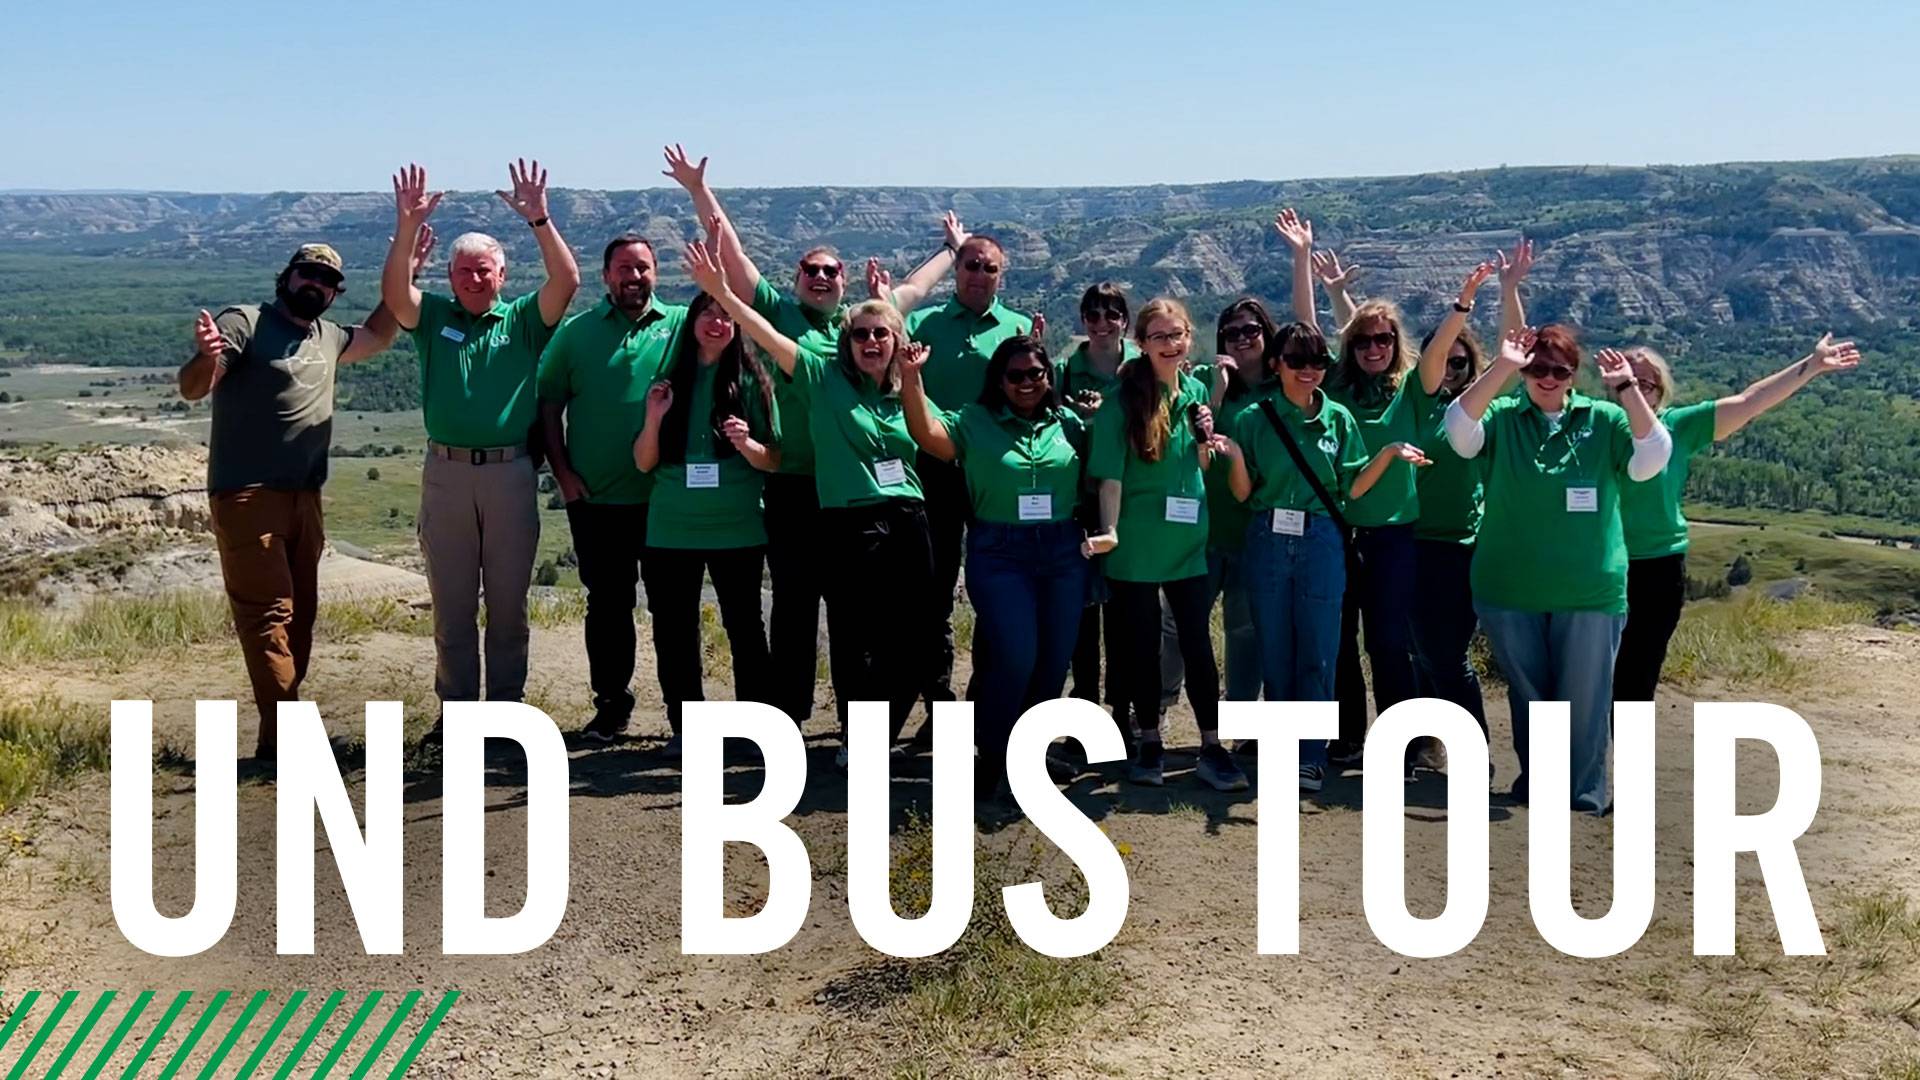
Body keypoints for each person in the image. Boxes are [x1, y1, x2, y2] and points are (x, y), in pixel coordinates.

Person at [661, 144, 962, 728]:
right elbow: (735, 256)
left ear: (844, 281)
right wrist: (699, 192)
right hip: (797, 482)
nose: (821, 277)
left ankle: (864, 720)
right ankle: (789, 717)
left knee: (863, 615)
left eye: (831, 271)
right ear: (797, 280)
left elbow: (916, 292)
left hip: (863, 494)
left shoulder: (863, 321)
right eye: (811, 270)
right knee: (796, 608)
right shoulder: (782, 314)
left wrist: (950, 252)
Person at [682, 228, 939, 766]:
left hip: (910, 518)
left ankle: (879, 729)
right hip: (850, 520)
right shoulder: (822, 376)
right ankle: (861, 740)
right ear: (847, 341)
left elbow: (935, 438)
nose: (871, 342)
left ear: (896, 340)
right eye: (861, 334)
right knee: (854, 636)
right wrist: (723, 292)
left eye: (880, 335)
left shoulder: (905, 385)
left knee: (916, 637)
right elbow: (762, 330)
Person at [179, 241, 410, 760]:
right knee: (268, 616)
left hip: (305, 498)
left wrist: (405, 271)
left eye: (328, 281)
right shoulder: (245, 322)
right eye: (308, 274)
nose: (317, 285)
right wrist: (205, 357)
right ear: (286, 277)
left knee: (300, 616)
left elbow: (376, 335)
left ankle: (274, 741)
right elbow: (195, 386)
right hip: (248, 495)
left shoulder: (326, 335)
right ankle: (292, 741)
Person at [381, 161, 581, 717]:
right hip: (445, 474)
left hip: (509, 472)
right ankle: (458, 712)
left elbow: (567, 282)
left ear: (501, 275)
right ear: (450, 278)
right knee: (451, 604)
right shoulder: (433, 317)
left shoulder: (522, 320)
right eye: (464, 271)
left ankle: (507, 712)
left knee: (508, 604)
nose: (474, 280)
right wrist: (404, 226)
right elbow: (395, 292)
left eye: (484, 271)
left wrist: (539, 218)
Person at [1445, 326, 1672, 814]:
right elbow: (1459, 431)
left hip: (1589, 590)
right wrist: (1501, 366)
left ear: (1573, 375)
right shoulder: (1503, 417)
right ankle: (1541, 786)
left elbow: (1652, 457)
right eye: (1536, 368)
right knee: (1531, 697)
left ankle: (1584, 795)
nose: (1546, 379)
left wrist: (1629, 388)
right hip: (1510, 588)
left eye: (1559, 370)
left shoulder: (1606, 418)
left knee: (1586, 700)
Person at [1225, 321, 1429, 791]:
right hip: (1268, 536)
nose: (1308, 371)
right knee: (1276, 651)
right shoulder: (1254, 419)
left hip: (1322, 541)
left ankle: (1311, 756)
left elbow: (1351, 485)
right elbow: (1243, 494)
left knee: (1319, 651)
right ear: (1276, 365)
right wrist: (1234, 456)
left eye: (1318, 361)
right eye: (1296, 361)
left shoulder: (1338, 418)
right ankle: (1282, 750)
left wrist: (1390, 454)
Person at [1610, 332, 1861, 701]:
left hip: (1656, 568)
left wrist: (1812, 365)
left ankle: (1630, 758)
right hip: (1597, 565)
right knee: (1587, 674)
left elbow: (1750, 400)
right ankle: (1586, 758)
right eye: (1624, 381)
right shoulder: (1595, 425)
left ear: (1660, 391)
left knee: (1638, 676)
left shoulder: (1678, 427)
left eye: (1643, 383)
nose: (1634, 389)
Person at [901, 334, 1089, 800]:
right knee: (1016, 655)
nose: (1027, 383)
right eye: (1016, 375)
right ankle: (993, 752)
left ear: (1049, 377)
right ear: (999, 380)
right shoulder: (974, 420)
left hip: (1063, 552)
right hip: (1000, 552)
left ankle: (1029, 754)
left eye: (1036, 374)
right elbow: (926, 433)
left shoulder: (1069, 423)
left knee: (1052, 662)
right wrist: (910, 376)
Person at [1083, 298, 1248, 793]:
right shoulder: (1122, 400)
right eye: (1159, 337)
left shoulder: (1196, 391)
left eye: (1177, 335)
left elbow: (1196, 467)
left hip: (1187, 542)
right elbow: (1109, 476)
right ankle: (1150, 740)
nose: (1170, 345)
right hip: (1135, 542)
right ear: (1142, 344)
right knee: (1142, 648)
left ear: (1188, 336)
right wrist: (1109, 530)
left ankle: (1211, 745)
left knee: (1198, 645)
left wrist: (1205, 439)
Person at [1284, 208, 1426, 771]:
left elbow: (1439, 356)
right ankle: (1344, 739)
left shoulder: (1411, 388)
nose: (1373, 348)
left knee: (1389, 642)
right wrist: (1302, 259)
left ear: (1395, 342)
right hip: (1339, 528)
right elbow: (1307, 329)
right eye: (1364, 340)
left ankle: (1406, 743)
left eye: (1383, 339)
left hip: (1393, 533)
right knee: (1337, 638)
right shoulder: (1337, 383)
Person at [537, 234, 687, 742]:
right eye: (624, 267)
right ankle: (611, 705)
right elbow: (548, 404)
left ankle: (681, 713)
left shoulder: (682, 326)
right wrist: (564, 475)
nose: (634, 276)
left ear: (656, 273)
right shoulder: (576, 333)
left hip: (665, 498)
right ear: (606, 276)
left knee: (671, 609)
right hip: (596, 499)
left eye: (643, 267)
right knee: (607, 606)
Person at [632, 291, 781, 754]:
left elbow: (773, 460)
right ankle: (688, 728)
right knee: (674, 631)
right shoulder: (667, 382)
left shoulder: (754, 383)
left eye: (726, 316)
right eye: (707, 314)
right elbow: (643, 463)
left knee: (745, 628)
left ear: (738, 327)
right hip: (671, 525)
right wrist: (654, 419)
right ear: (692, 322)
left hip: (736, 525)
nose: (716, 323)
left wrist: (746, 444)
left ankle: (754, 726)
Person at [905, 234, 1037, 716]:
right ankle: (938, 702)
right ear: (957, 268)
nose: (980, 275)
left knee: (994, 589)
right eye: (972, 265)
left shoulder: (1017, 327)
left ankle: (984, 699)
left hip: (994, 475)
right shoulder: (923, 324)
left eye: (991, 268)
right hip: (934, 471)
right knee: (933, 591)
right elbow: (906, 388)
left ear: (1002, 274)